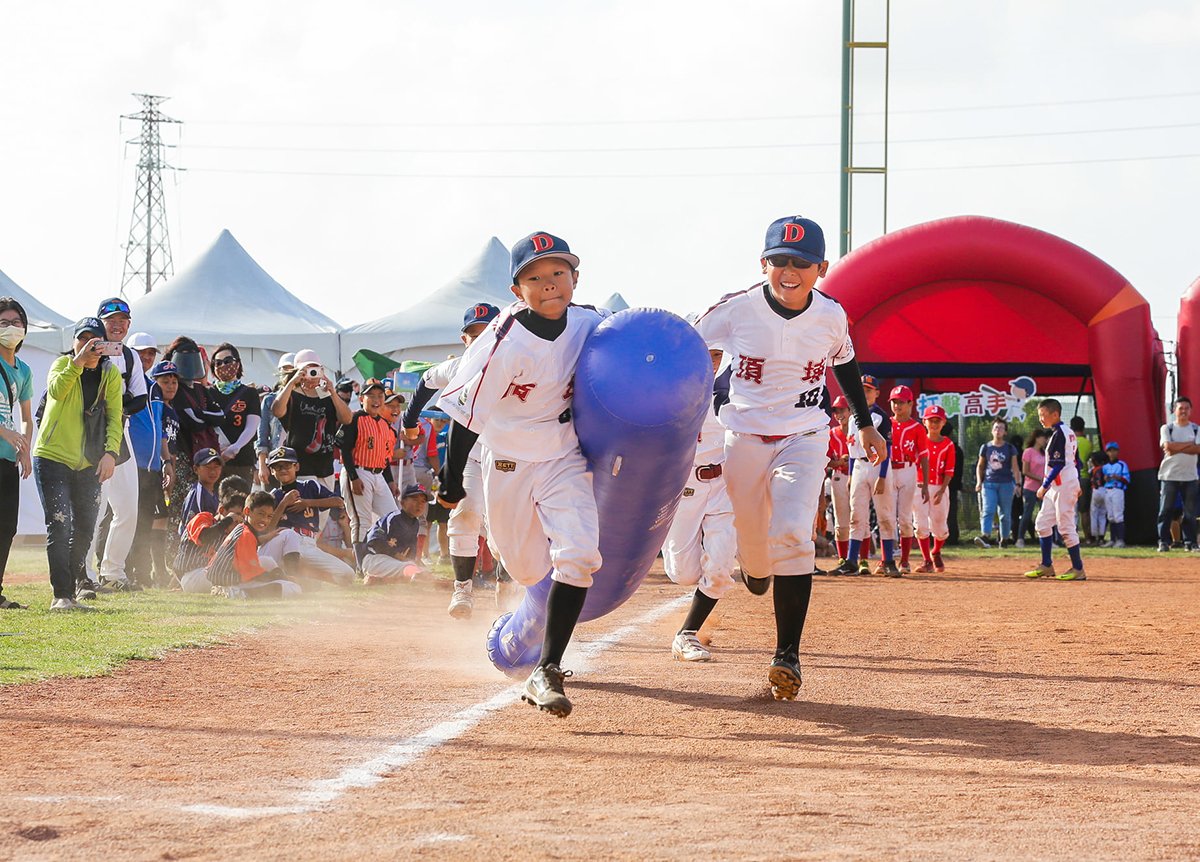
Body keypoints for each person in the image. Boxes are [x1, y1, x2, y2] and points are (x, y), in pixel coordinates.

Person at [694, 214, 885, 700]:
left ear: (820, 267)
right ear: (763, 264)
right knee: (754, 545)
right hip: (744, 436)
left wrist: (863, 424)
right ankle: (756, 568)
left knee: (794, 534)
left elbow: (845, 363)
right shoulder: (734, 310)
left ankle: (787, 656)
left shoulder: (829, 314)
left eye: (801, 262)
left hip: (805, 434)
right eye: (779, 260)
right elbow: (688, 347)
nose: (789, 270)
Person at [437, 231, 610, 717]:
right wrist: (451, 483)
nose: (549, 284)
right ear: (517, 290)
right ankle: (511, 631)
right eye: (534, 277)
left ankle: (548, 669)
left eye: (559, 272)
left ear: (576, 277)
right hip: (509, 461)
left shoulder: (592, 322)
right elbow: (464, 415)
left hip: (564, 457)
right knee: (528, 569)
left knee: (578, 557)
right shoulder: (501, 342)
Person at [402, 302, 502, 617]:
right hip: (470, 456)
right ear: (464, 340)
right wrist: (409, 421)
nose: (481, 339)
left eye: (488, 332)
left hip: (507, 456)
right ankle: (462, 592)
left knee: (504, 526)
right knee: (465, 516)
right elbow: (425, 382)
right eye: (474, 334)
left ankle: (508, 585)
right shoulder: (459, 366)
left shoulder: (520, 363)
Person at [32, 317, 124, 609]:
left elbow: (115, 416)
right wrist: (78, 363)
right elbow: (57, 392)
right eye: (81, 339)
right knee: (59, 525)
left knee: (85, 526)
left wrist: (111, 453)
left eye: (94, 341)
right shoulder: (61, 365)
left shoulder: (110, 374)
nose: (88, 345)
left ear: (104, 346)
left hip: (90, 460)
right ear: (73, 343)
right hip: (52, 456)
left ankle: (71, 591)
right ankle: (61, 594)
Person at [660, 348, 736, 661]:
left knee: (719, 568)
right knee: (683, 574)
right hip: (685, 484)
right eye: (707, 351)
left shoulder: (734, 386)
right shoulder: (671, 387)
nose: (713, 359)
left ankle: (687, 633)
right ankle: (689, 548)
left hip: (725, 484)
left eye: (719, 353)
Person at [86, 297, 150, 591]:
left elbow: (141, 396)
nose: (116, 325)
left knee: (127, 508)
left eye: (122, 321)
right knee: (94, 508)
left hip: (120, 432)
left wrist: (119, 409)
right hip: (90, 434)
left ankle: (113, 572)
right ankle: (84, 573)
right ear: (100, 322)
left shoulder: (131, 356)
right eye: (110, 320)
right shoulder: (86, 350)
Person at [265, 446, 354, 585]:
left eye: (287, 465)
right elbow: (268, 529)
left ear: (297, 466)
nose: (283, 470)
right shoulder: (273, 496)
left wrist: (308, 503)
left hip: (309, 542)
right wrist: (283, 503)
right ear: (272, 471)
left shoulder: (309, 486)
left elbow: (339, 502)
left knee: (348, 574)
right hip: (286, 543)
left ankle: (308, 580)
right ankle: (302, 580)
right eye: (278, 466)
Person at [832, 374, 893, 576]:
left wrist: (883, 476)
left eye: (869, 390)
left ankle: (889, 560)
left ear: (876, 393)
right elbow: (851, 450)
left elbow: (888, 447)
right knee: (856, 516)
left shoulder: (880, 417)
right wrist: (850, 475)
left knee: (884, 515)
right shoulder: (852, 420)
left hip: (878, 466)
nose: (865, 393)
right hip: (858, 466)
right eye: (862, 389)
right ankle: (851, 561)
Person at [334, 378, 398, 568]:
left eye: (379, 396)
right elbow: (344, 449)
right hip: (359, 471)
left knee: (392, 517)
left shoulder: (386, 425)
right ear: (362, 398)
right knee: (361, 520)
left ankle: (385, 561)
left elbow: (385, 458)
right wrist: (353, 477)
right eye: (371, 395)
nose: (376, 399)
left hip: (378, 475)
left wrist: (390, 481)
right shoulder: (354, 418)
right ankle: (362, 566)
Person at [124, 353, 176, 587]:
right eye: (140, 353)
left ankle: (143, 574)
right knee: (126, 519)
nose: (146, 357)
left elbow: (160, 429)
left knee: (146, 520)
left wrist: (166, 462)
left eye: (150, 353)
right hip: (130, 464)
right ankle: (120, 571)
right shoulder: (125, 384)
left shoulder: (155, 389)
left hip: (153, 467)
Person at [1024, 398, 1086, 581]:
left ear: (1055, 414)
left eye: (1043, 415)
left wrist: (1044, 486)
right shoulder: (1066, 433)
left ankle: (1078, 568)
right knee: (1042, 523)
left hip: (1062, 485)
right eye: (1040, 415)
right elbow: (1077, 461)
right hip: (1060, 485)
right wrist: (1078, 481)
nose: (1041, 419)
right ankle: (1046, 565)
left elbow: (1059, 465)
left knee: (1065, 527)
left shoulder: (1060, 434)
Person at [271, 349, 352, 490]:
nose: (311, 373)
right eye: (306, 369)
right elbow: (277, 410)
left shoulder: (326, 394)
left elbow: (347, 419)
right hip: (300, 465)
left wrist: (332, 391)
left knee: (324, 509)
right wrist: (292, 382)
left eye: (315, 369)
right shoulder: (291, 394)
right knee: (306, 509)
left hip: (325, 466)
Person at [204, 490, 306, 599]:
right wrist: (281, 577)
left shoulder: (242, 528)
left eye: (269, 516)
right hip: (230, 587)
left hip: (224, 582)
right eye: (261, 514)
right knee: (292, 588)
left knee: (267, 561)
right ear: (247, 511)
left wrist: (280, 576)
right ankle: (245, 594)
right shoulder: (246, 534)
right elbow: (252, 574)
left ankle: (242, 591)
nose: (264, 520)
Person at [0, 297, 34, 609]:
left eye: (16, 322)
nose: (11, 328)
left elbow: (26, 415)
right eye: (4, 322)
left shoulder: (22, 370)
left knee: (7, 526)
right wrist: (4, 431)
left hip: (7, 458)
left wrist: (24, 449)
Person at [886, 385, 929, 574]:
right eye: (894, 402)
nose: (897, 405)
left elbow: (924, 456)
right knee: (886, 516)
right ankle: (886, 560)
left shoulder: (918, 428)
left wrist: (925, 483)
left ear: (910, 403)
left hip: (908, 470)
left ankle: (904, 561)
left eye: (901, 402)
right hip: (888, 470)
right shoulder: (886, 423)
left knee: (904, 518)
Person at [176, 482, 248, 592]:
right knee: (224, 577)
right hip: (192, 576)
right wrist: (228, 519)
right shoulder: (204, 518)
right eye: (237, 514)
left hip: (211, 574)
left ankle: (267, 588)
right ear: (222, 510)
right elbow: (204, 537)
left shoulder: (232, 533)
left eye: (242, 517)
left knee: (259, 565)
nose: (238, 520)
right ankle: (240, 591)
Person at [207, 343, 261, 487]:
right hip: (213, 462)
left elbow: (252, 426)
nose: (223, 366)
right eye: (218, 363)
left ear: (237, 363)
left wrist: (235, 447)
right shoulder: (207, 393)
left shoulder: (249, 393)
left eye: (227, 361)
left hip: (242, 460)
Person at [360, 484, 432, 585]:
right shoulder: (393, 518)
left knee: (423, 571)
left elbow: (411, 555)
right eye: (415, 499)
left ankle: (378, 580)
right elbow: (375, 542)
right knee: (413, 570)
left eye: (423, 501)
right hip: (375, 560)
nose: (419, 504)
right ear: (402, 502)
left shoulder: (415, 523)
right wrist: (398, 556)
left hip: (394, 564)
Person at [913, 405, 955, 573]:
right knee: (921, 524)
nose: (934, 424)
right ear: (925, 422)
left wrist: (942, 489)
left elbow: (949, 470)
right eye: (931, 420)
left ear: (943, 422)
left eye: (937, 421)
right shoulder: (919, 440)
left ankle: (936, 551)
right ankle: (926, 560)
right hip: (919, 486)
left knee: (940, 527)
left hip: (939, 487)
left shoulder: (948, 444)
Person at [1156, 396, 1200, 553]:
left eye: (1186, 408)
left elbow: (1198, 449)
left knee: (1190, 512)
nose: (1183, 411)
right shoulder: (1167, 428)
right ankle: (1163, 542)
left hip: (1190, 477)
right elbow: (1167, 446)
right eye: (1180, 408)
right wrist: (1189, 444)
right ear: (1174, 410)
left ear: (1191, 410)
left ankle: (1191, 542)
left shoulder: (1196, 429)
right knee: (1165, 510)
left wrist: (1176, 447)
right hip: (1169, 476)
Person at [974, 418, 1020, 548]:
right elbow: (980, 466)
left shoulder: (1010, 448)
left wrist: (1017, 484)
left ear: (1005, 432)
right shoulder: (986, 447)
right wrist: (979, 481)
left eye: (1000, 428)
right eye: (995, 428)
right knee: (988, 509)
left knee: (1005, 514)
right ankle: (985, 536)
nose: (998, 431)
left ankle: (1004, 539)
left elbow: (1015, 467)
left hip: (1006, 483)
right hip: (989, 483)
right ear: (992, 431)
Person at [256, 353, 295, 488]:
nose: (288, 374)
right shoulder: (269, 400)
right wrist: (262, 465)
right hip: (274, 461)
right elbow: (262, 435)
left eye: (292, 369)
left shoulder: (304, 399)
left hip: (295, 463)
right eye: (284, 369)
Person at [826, 395, 852, 564]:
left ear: (851, 411)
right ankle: (843, 558)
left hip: (857, 476)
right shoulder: (831, 434)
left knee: (859, 519)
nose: (839, 413)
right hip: (838, 476)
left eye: (842, 409)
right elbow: (826, 459)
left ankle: (860, 558)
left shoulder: (858, 432)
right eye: (836, 410)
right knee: (840, 520)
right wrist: (838, 462)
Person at [1095, 442, 1130, 547]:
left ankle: (1120, 540)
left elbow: (1127, 480)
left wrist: (1118, 477)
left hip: (1117, 489)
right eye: (1109, 451)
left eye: (1114, 450)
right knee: (1110, 516)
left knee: (1118, 515)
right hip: (1107, 490)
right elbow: (1099, 481)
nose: (1112, 453)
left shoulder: (1122, 464)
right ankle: (1112, 539)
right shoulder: (1105, 467)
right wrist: (1104, 479)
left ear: (1117, 451)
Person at [1017, 428, 1048, 547]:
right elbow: (1025, 471)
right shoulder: (1028, 452)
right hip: (1030, 488)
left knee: (1045, 514)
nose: (1045, 440)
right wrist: (1038, 478)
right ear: (1037, 438)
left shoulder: (1045, 453)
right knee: (1027, 513)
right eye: (1043, 438)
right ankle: (1020, 538)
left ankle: (1047, 540)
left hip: (1043, 489)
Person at [1071, 416, 1095, 542]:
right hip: (1084, 478)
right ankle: (1087, 538)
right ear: (1083, 427)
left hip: (1070, 479)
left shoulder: (1069, 441)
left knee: (1070, 510)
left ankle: (1071, 537)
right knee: (1084, 510)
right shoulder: (1088, 443)